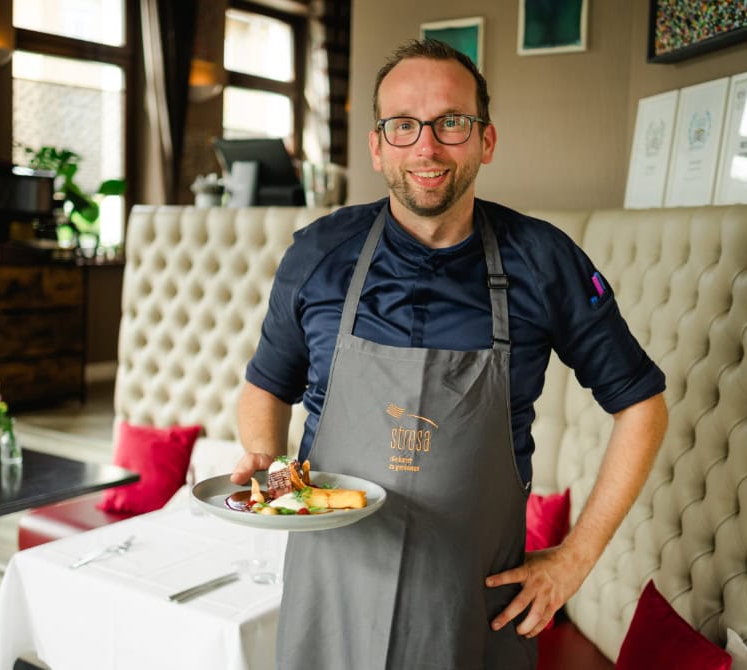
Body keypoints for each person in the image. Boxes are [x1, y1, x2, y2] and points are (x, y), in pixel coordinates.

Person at [230, 38, 668, 670]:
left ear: (485, 140)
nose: (426, 147)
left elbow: (643, 407)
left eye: (451, 123)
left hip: (475, 608)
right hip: (332, 590)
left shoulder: (544, 260)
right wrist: (269, 466)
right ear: (378, 144)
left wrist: (575, 559)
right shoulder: (317, 256)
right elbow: (267, 386)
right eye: (403, 126)